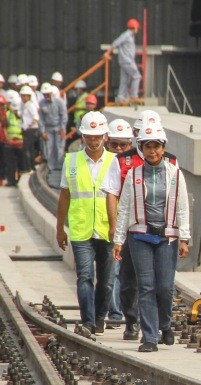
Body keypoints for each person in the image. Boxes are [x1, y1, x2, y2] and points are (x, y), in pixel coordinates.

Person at [111, 121, 190, 352]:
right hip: (139, 236)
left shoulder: (175, 174)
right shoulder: (134, 174)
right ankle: (149, 337)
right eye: (148, 147)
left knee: (164, 287)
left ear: (163, 148)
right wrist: (118, 240)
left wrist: (184, 238)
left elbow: (183, 207)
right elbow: (124, 207)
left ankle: (165, 324)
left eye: (156, 146)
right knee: (145, 286)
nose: (152, 151)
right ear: (141, 149)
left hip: (167, 237)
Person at [56, 111, 120, 337]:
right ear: (82, 137)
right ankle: (89, 322)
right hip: (81, 229)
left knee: (107, 282)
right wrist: (59, 228)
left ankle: (100, 317)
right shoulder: (71, 161)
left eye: (97, 136)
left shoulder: (115, 162)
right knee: (84, 276)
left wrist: (118, 228)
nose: (93, 141)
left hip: (107, 231)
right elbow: (65, 196)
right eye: (89, 137)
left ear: (105, 136)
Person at [104, 118, 133, 328]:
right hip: (106, 226)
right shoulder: (103, 163)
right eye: (115, 144)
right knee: (112, 270)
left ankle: (128, 311)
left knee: (129, 271)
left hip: (131, 226)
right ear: (107, 142)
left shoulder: (133, 164)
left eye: (124, 144)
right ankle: (115, 313)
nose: (119, 148)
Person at [104, 18, 142, 104]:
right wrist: (107, 53)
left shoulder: (130, 36)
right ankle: (134, 96)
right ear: (134, 27)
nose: (137, 30)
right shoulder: (126, 35)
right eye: (137, 28)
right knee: (137, 76)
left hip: (125, 60)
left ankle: (121, 97)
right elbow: (115, 43)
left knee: (125, 79)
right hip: (127, 61)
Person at [39, 82, 67, 171]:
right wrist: (42, 131)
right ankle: (51, 167)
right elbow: (41, 119)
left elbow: (63, 115)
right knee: (49, 147)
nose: (46, 96)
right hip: (48, 128)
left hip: (58, 127)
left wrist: (62, 128)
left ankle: (59, 166)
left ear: (51, 93)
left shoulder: (59, 102)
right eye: (44, 94)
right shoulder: (41, 103)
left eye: (47, 94)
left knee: (59, 147)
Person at [3, 96, 23, 186]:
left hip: (21, 141)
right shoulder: (8, 114)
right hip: (10, 142)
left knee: (21, 163)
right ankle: (11, 181)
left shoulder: (23, 114)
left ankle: (20, 180)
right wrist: (7, 137)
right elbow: (5, 126)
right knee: (10, 163)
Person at [19, 85, 40, 172]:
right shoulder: (24, 105)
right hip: (26, 130)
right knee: (29, 149)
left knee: (27, 149)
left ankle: (29, 167)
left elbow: (36, 118)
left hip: (30, 130)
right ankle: (30, 167)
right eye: (22, 95)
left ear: (29, 96)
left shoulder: (31, 105)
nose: (23, 97)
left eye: (25, 95)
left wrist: (28, 126)